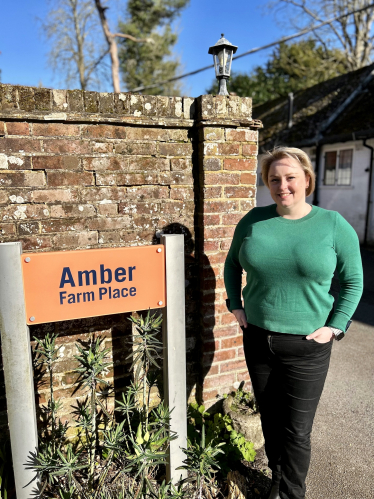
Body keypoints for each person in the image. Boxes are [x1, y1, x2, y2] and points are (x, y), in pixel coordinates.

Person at [224, 147, 363, 499]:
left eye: (290, 178)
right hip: (258, 339)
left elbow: (354, 281)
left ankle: (292, 493)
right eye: (274, 179)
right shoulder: (253, 220)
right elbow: (231, 265)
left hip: (307, 346)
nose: (282, 185)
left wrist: (336, 325)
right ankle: (277, 481)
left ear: (306, 180)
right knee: (271, 423)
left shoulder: (333, 225)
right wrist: (235, 305)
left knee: (297, 430)